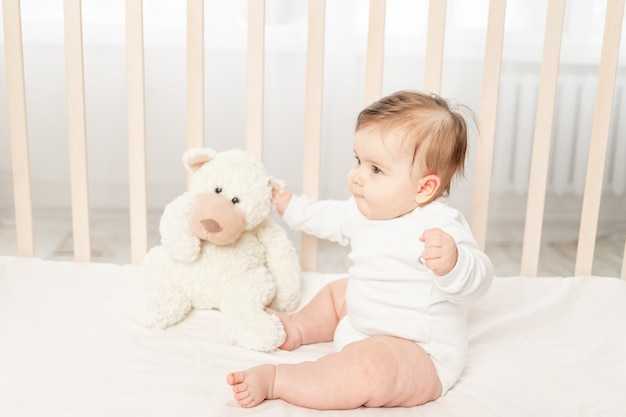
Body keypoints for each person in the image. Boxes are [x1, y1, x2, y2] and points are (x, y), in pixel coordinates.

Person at [227, 90, 493, 410]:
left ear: (424, 188)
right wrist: (290, 206)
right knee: (337, 292)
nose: (357, 177)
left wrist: (455, 263)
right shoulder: (365, 210)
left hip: (416, 352)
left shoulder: (441, 226)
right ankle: (297, 327)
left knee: (373, 371)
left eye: (376, 169)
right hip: (359, 325)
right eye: (358, 161)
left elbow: (480, 280)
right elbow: (326, 217)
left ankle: (278, 379)